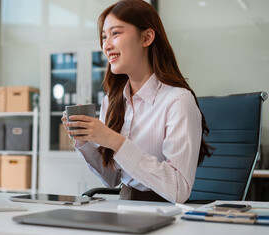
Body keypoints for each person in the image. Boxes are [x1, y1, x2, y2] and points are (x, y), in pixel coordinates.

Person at [61, 0, 212, 203]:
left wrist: (114, 140)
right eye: (104, 37)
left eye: (115, 33)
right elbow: (112, 179)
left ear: (147, 37)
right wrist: (85, 140)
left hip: (165, 213)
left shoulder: (178, 101)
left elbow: (178, 190)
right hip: (125, 206)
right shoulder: (112, 102)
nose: (106, 45)